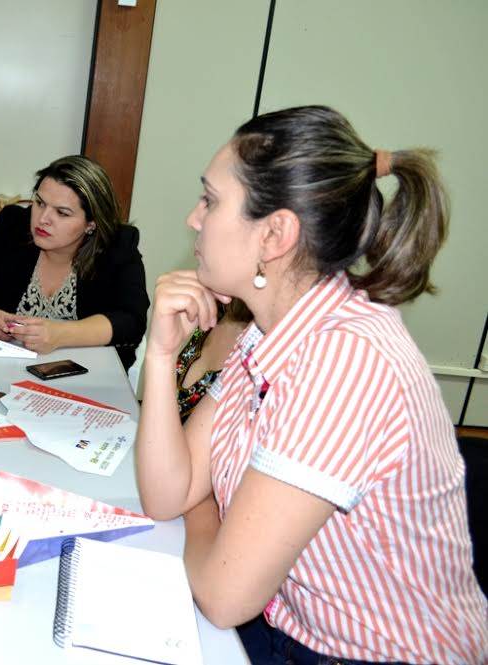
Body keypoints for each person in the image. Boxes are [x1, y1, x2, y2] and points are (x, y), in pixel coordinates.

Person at [134, 106, 487, 664]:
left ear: (274, 234)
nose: (193, 219)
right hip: (290, 631)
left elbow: (224, 597)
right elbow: (166, 494)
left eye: (211, 200)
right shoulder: (271, 331)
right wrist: (160, 354)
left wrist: (200, 511)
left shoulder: (345, 359)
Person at [0, 155, 149, 368]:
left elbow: (130, 321)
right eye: (40, 203)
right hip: (6, 372)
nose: (43, 219)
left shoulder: (117, 245)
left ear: (91, 223)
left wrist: (60, 334)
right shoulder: (14, 227)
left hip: (89, 379)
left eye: (62, 213)